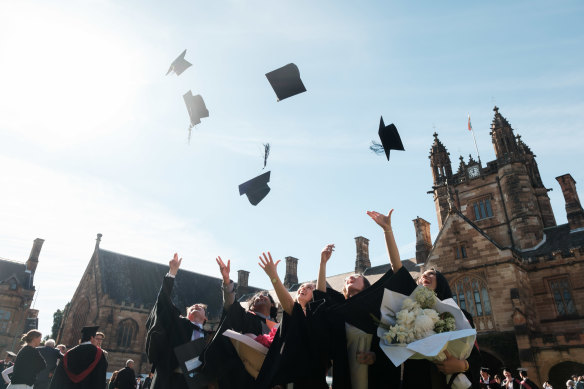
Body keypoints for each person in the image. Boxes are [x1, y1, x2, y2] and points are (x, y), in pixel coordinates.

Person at [367, 209, 482, 389]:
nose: (425, 277)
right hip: (417, 381)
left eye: (431, 274)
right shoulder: (408, 312)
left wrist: (462, 365)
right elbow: (397, 267)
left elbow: (475, 356)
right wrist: (387, 230)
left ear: (441, 283)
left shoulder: (462, 315)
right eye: (422, 276)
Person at [315, 213, 420, 389]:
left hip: (377, 379)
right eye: (347, 278)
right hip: (346, 379)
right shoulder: (340, 312)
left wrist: (387, 230)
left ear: (366, 286)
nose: (349, 277)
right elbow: (320, 297)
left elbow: (398, 271)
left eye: (355, 276)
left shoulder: (378, 304)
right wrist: (323, 263)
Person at [255, 249, 330, 388]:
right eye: (301, 286)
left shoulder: (316, 318)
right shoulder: (288, 319)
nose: (303, 288)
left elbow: (293, 305)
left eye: (309, 288)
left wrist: (273, 275)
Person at [199, 257, 277, 388]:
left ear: (273, 305)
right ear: (251, 306)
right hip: (242, 378)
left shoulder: (277, 325)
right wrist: (226, 281)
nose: (259, 296)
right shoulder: (246, 316)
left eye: (264, 295)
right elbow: (231, 305)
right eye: (256, 297)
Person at [145, 253, 208, 389]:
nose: (196, 306)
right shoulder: (178, 325)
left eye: (201, 307)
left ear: (206, 318)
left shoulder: (209, 337)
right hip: (169, 379)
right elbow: (163, 303)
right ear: (186, 315)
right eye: (192, 307)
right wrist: (172, 273)